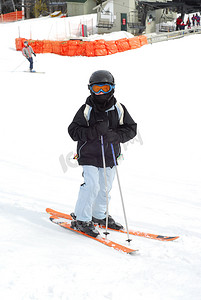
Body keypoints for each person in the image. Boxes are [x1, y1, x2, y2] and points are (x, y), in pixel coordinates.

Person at [68, 70, 137, 237]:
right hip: (89, 155)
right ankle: (82, 219)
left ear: (112, 88)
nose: (100, 93)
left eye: (104, 88)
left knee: (105, 188)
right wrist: (93, 131)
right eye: (96, 89)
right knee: (91, 186)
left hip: (110, 154)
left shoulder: (118, 108)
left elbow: (131, 129)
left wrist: (117, 136)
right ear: (90, 89)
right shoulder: (86, 109)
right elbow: (73, 131)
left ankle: (99, 215)